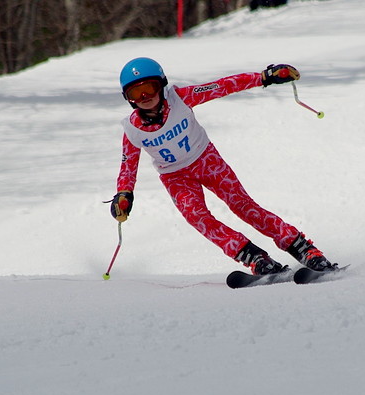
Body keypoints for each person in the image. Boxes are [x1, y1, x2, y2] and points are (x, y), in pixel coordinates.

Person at [108, 57, 335, 275]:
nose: (145, 96)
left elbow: (223, 86)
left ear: (162, 85)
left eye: (149, 87)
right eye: (136, 92)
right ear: (128, 98)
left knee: (242, 205)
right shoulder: (132, 129)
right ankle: (254, 258)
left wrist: (265, 77)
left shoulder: (181, 98)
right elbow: (128, 166)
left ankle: (302, 248)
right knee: (197, 217)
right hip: (175, 177)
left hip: (206, 161)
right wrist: (124, 194)